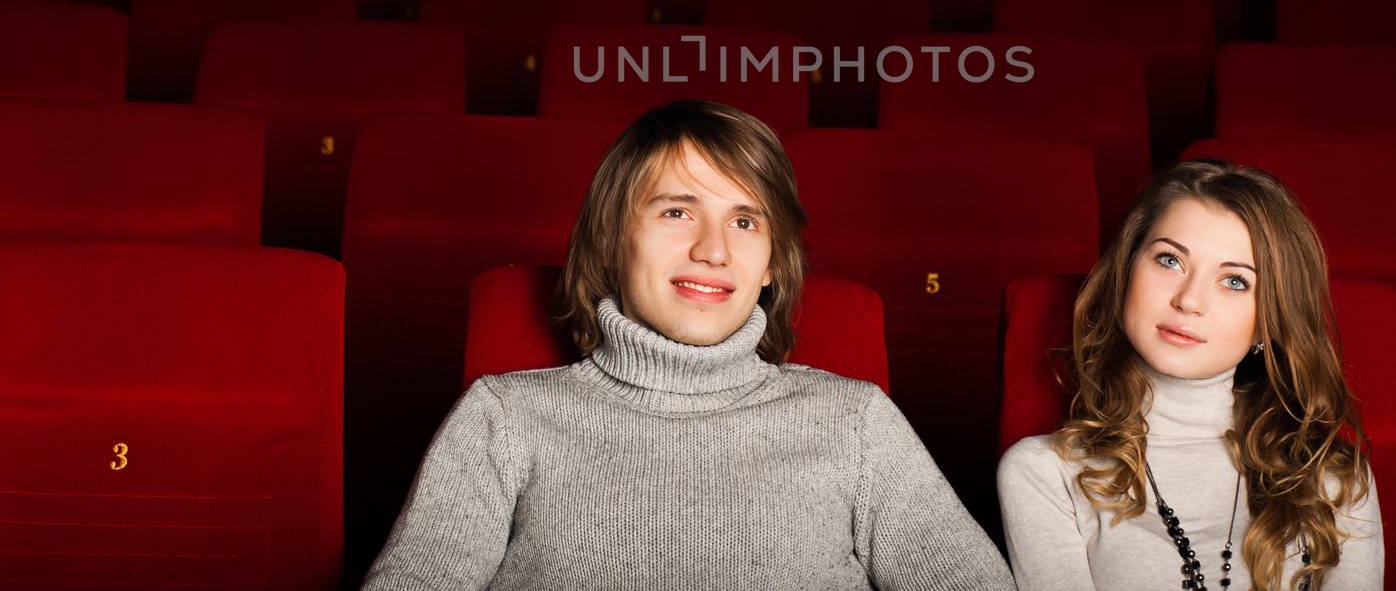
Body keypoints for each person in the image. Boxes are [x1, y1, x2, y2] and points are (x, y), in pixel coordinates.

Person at [363, 99, 1015, 590]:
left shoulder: (858, 420)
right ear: (613, 241)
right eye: (677, 210)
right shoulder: (502, 418)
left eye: (744, 219)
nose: (713, 248)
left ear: (770, 266)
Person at [997, 160, 1383, 591]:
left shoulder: (1332, 476)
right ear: (1126, 270)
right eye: (1169, 260)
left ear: (1269, 321)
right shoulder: (1044, 474)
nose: (1189, 300)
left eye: (1235, 281)